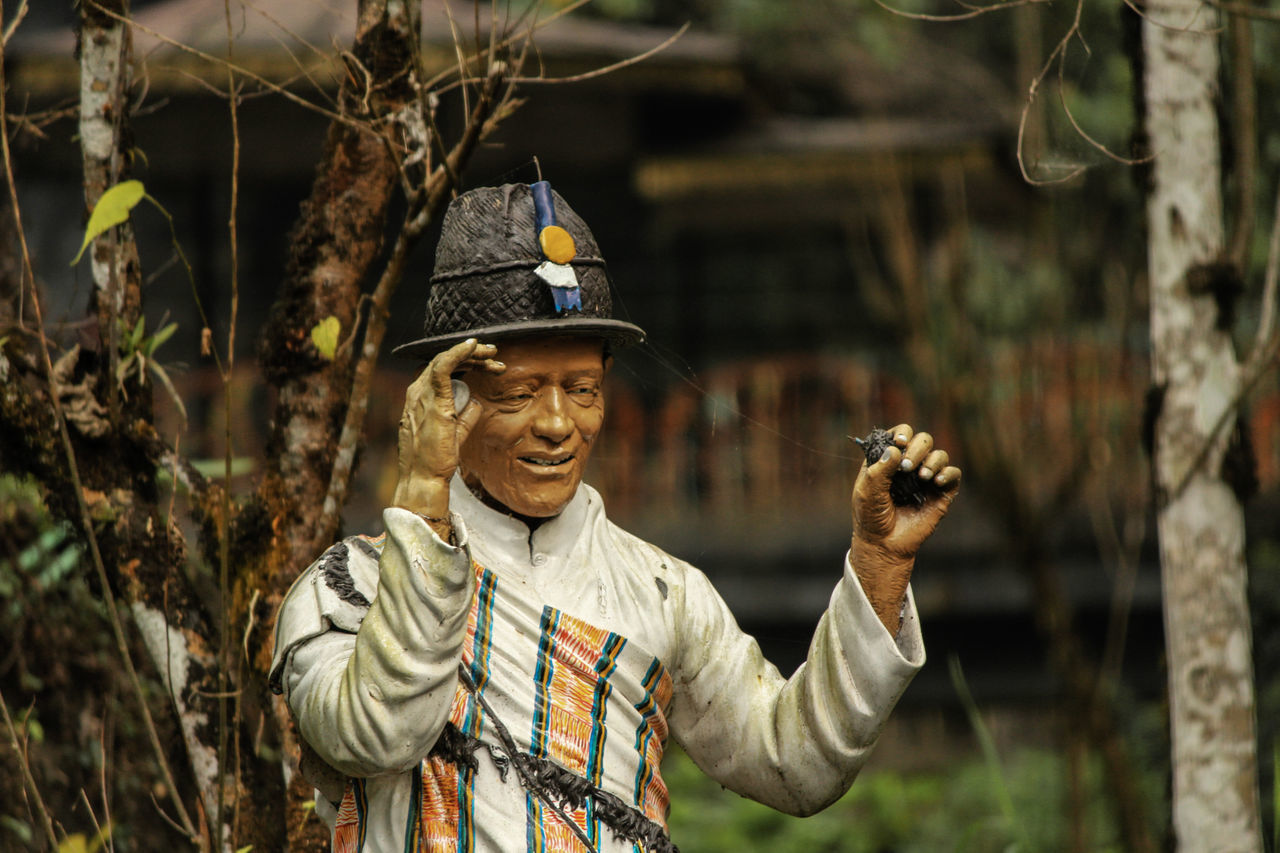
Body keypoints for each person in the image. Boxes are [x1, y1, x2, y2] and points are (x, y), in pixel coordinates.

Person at [270, 182, 960, 852]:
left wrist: (880, 562)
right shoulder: (347, 590)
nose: (557, 423)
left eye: (582, 388)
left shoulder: (663, 589)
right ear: (448, 397)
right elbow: (375, 733)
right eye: (518, 392)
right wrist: (422, 486)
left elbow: (796, 763)